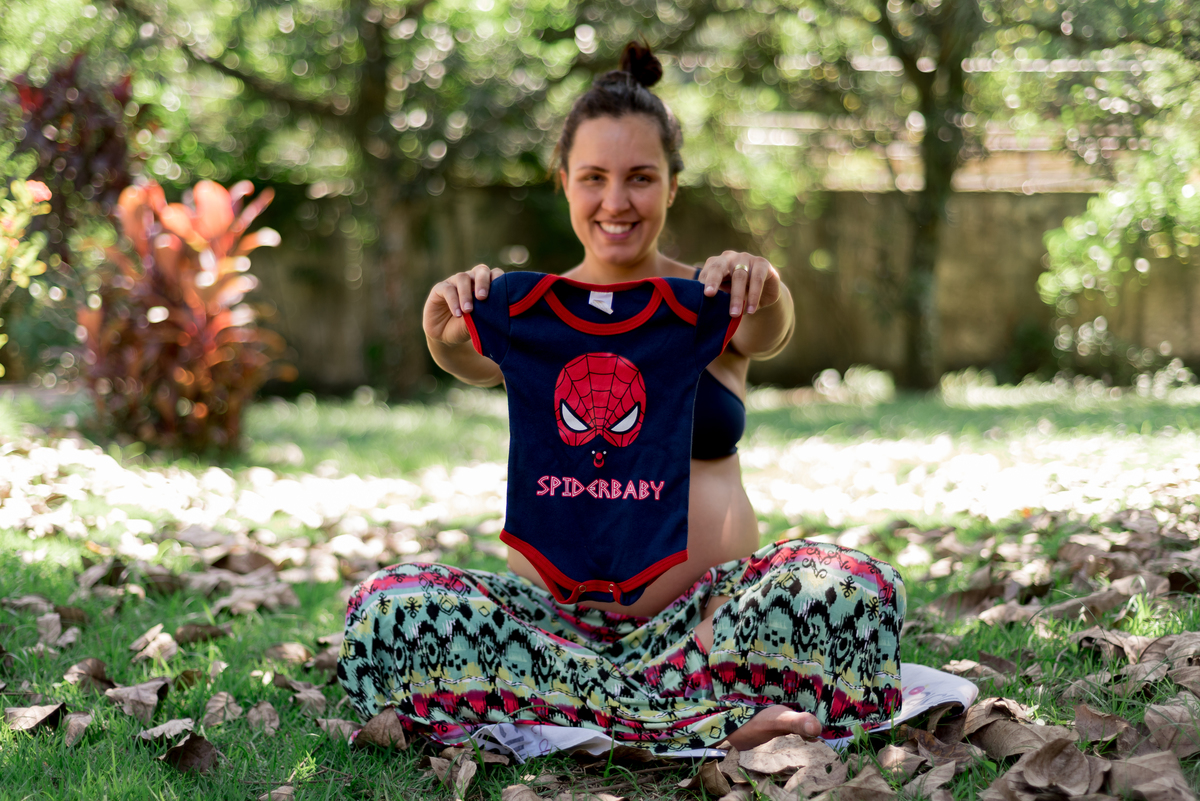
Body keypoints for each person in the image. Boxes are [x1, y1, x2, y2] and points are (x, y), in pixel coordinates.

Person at [337, 42, 905, 754]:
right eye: (594, 177)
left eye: (640, 177)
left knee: (853, 587)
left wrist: (765, 279)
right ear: (564, 182)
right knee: (387, 606)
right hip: (553, 625)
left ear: (672, 185)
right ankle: (687, 717)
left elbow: (770, 326)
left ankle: (574, 712)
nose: (616, 201)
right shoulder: (529, 311)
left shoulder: (710, 298)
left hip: (708, 623)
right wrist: (444, 323)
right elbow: (466, 359)